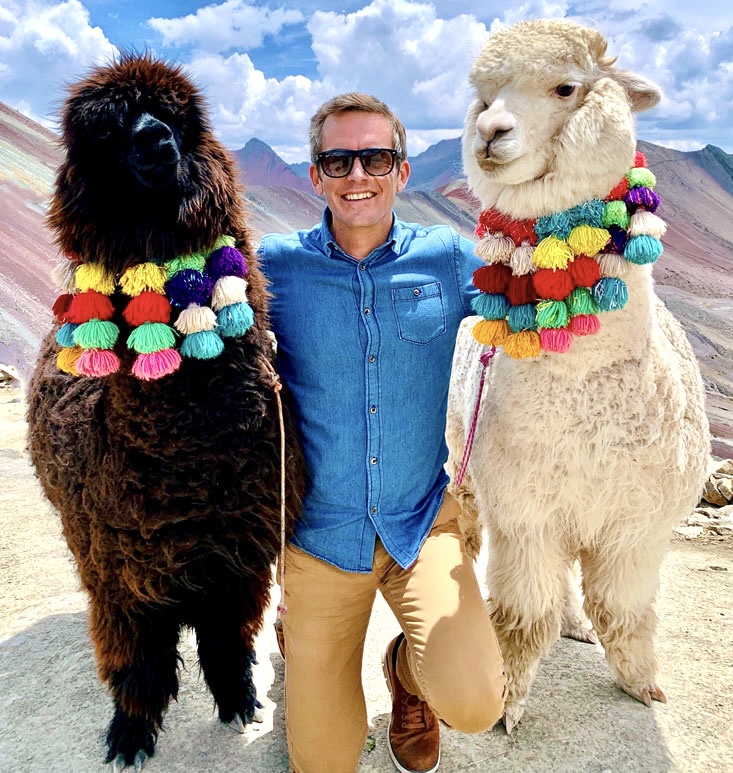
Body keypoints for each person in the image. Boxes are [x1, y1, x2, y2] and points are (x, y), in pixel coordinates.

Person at [257, 92, 506, 773]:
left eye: (376, 157)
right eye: (337, 159)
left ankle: (406, 671)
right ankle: (301, 645)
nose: (356, 174)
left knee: (478, 701)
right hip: (317, 537)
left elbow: (526, 302)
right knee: (322, 764)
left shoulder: (450, 259)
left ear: (400, 170)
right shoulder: (272, 267)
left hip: (419, 524)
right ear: (315, 175)